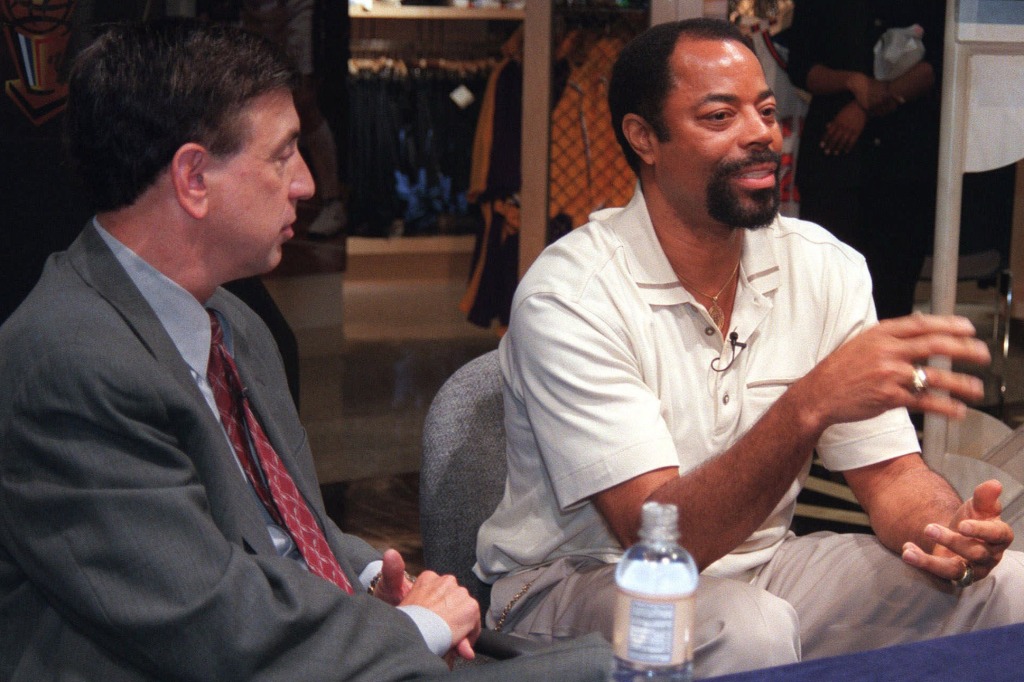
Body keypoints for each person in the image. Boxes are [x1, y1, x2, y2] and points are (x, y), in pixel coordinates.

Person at [0, 20, 610, 681]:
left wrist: (374, 572)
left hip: (311, 645)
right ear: (193, 177)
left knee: (631, 661)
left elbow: (280, 530)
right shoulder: (69, 361)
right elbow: (206, 620)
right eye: (283, 155)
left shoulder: (234, 323)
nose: (308, 184)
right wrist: (413, 627)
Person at [474, 18, 1024, 679]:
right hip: (573, 582)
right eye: (719, 115)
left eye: (766, 110)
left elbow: (889, 475)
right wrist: (807, 405)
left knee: (1008, 592)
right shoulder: (571, 295)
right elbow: (662, 538)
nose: (761, 133)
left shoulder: (825, 267)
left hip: (762, 570)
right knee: (744, 629)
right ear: (643, 138)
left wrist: (947, 532)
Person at [783, 1, 944, 320]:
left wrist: (869, 103)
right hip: (834, 157)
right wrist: (853, 82)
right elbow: (801, 66)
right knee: (825, 292)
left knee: (892, 294)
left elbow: (940, 61)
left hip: (904, 162)